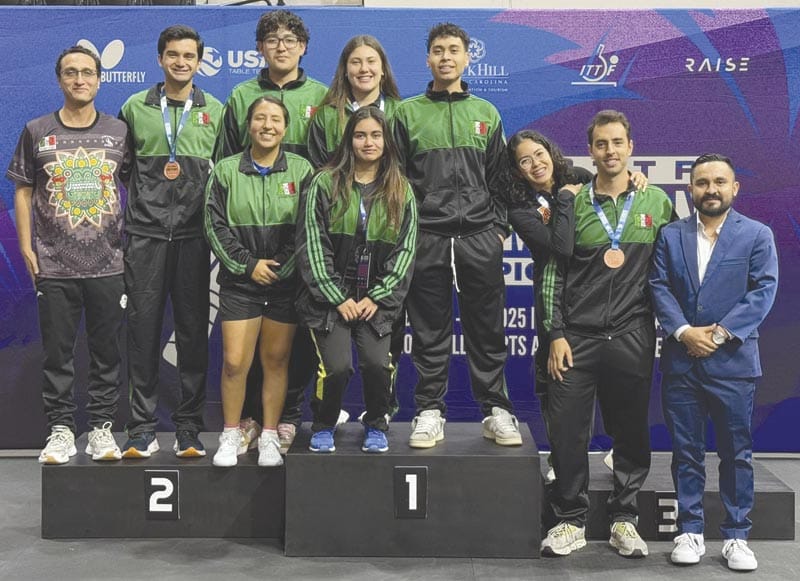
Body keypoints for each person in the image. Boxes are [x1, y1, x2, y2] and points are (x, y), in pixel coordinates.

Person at [543, 110, 674, 557]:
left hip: (632, 333)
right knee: (567, 433)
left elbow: (670, 271)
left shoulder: (655, 202)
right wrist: (555, 332)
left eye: (618, 142)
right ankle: (569, 521)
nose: (610, 151)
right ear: (591, 150)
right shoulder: (574, 202)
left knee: (632, 433)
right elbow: (553, 272)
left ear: (631, 147)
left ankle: (624, 518)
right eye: (601, 144)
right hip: (575, 337)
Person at [393, 22, 521, 449]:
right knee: (429, 329)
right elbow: (395, 182)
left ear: (468, 57)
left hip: (479, 236)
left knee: (486, 327)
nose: (446, 57)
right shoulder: (406, 113)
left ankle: (496, 410)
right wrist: (409, 231)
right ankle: (429, 411)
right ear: (427, 59)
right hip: (427, 236)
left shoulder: (486, 112)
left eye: (453, 50)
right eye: (437, 50)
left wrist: (498, 229)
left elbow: (501, 180)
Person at [649, 153, 778, 571]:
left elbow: (762, 291)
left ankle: (737, 535)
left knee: (735, 453)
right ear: (691, 189)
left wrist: (718, 335)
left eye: (720, 182)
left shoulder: (757, 235)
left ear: (734, 188)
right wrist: (685, 332)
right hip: (682, 361)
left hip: (734, 364)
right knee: (686, 451)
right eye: (702, 182)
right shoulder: (670, 235)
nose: (711, 189)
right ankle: (690, 531)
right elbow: (658, 286)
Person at [7, 45, 130, 464]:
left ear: (99, 79)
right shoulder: (37, 130)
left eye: (87, 73)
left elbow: (138, 188)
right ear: (60, 80)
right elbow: (23, 191)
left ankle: (101, 430)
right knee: (58, 353)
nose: (80, 80)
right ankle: (61, 431)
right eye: (71, 73)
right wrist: (25, 245)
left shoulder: (119, 131)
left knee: (106, 353)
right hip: (53, 264)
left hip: (109, 265)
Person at [216, 9, 327, 452]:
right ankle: (246, 421)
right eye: (272, 39)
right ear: (259, 48)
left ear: (303, 47)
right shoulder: (242, 95)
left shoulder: (323, 95)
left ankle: (287, 418)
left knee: (293, 338)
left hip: (300, 236)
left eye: (290, 39)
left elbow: (331, 160)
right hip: (249, 241)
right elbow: (224, 165)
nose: (281, 46)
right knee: (247, 347)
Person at [118, 25, 223, 459]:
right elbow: (124, 171)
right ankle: (141, 429)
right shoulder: (135, 106)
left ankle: (188, 428)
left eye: (189, 56)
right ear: (160, 59)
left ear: (199, 62)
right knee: (142, 334)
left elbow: (224, 175)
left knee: (193, 335)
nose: (181, 62)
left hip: (195, 240)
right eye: (173, 55)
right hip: (145, 237)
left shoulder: (215, 109)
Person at [297, 107, 417, 454]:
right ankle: (323, 422)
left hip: (375, 300)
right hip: (331, 299)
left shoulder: (401, 189)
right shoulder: (324, 182)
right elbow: (311, 244)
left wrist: (377, 296)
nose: (369, 142)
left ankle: (376, 422)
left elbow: (406, 250)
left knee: (378, 365)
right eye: (360, 135)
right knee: (337, 368)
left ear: (386, 141)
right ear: (349, 140)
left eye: (376, 135)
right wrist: (337, 296)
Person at [205, 96, 312, 467]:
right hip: (240, 283)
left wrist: (281, 266)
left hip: (284, 285)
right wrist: (248, 265)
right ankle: (231, 432)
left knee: (277, 361)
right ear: (248, 125)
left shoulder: (302, 170)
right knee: (235, 363)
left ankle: (268, 435)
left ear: (286, 127)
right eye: (260, 118)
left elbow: (307, 228)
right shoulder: (224, 171)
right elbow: (214, 226)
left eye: (276, 120)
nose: (268, 125)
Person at [307, 35, 402, 170]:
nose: (364, 69)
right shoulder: (327, 116)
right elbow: (319, 170)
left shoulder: (400, 113)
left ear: (383, 70)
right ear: (345, 70)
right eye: (356, 62)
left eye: (371, 61)